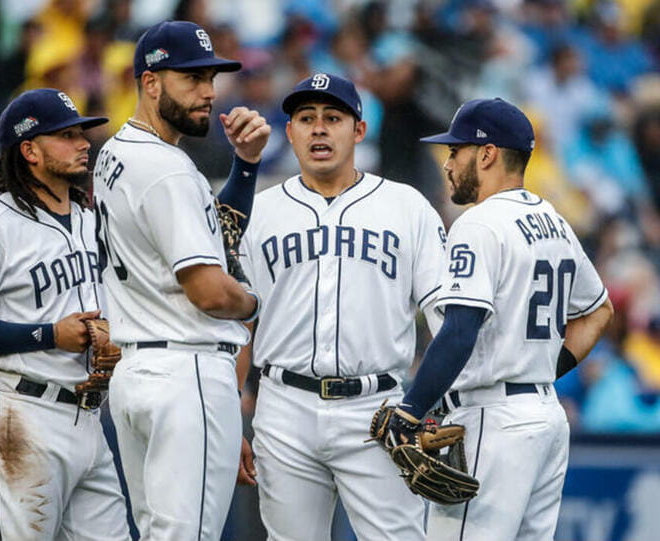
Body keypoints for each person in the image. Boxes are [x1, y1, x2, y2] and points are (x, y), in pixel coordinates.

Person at [387, 97, 613, 540]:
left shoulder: (479, 224)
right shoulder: (553, 220)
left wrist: (410, 410)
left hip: (495, 418)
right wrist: (541, 370)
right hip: (545, 416)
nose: (448, 163)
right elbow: (599, 312)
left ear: (487, 154)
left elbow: (458, 331)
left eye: (456, 151)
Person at [238, 73, 447, 540]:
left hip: (378, 409)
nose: (318, 129)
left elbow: (447, 317)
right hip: (283, 405)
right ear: (288, 131)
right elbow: (238, 326)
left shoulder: (405, 206)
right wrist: (234, 417)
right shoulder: (261, 211)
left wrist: (435, 401)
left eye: (333, 118)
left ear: (358, 130)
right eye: (305, 118)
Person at [93, 20, 270, 540]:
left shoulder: (116, 153)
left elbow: (214, 236)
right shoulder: (167, 170)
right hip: (185, 373)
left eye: (210, 78)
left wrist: (246, 166)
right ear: (150, 83)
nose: (208, 93)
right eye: (191, 79)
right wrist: (256, 302)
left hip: (139, 373)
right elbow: (212, 293)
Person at [0, 88, 130, 540]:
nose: (83, 143)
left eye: (82, 133)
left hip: (88, 416)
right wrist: (48, 335)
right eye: (66, 135)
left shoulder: (87, 219)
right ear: (29, 149)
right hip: (21, 413)